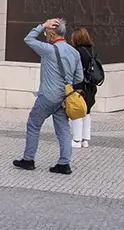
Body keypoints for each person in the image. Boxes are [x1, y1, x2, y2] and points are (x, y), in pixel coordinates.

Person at [14, 18, 83, 175]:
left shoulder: (48, 49)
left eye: (46, 33)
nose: (45, 35)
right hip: (64, 98)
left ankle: (28, 159)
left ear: (52, 34)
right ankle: (64, 164)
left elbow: (28, 39)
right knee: (63, 130)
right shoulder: (74, 52)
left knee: (33, 124)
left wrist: (42, 25)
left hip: (48, 96)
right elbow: (79, 78)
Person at [70, 27, 99, 149]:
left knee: (77, 111)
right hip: (91, 85)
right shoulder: (91, 50)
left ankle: (76, 140)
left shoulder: (77, 52)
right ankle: (85, 139)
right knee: (87, 111)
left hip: (80, 85)